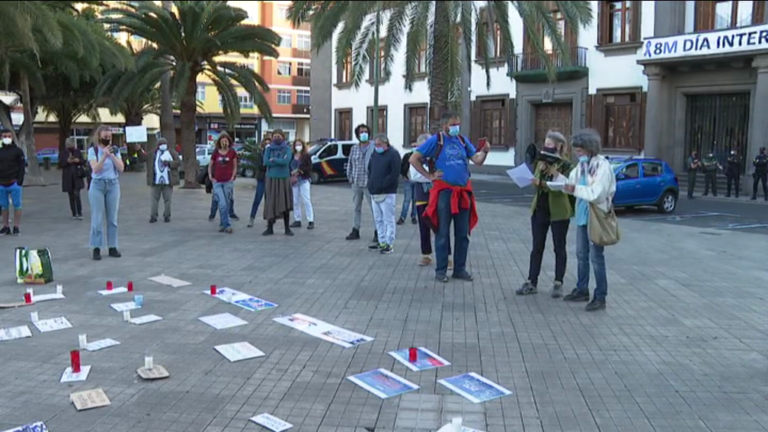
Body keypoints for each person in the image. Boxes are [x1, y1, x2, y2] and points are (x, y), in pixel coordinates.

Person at [410, 110, 490, 283]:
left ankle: (459, 269)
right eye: (453, 124)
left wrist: (485, 151)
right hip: (444, 193)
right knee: (442, 232)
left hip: (462, 192)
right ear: (444, 125)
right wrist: (429, 175)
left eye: (458, 124)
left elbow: (476, 160)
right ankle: (441, 270)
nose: (456, 127)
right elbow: (414, 158)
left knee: (463, 233)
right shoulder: (436, 140)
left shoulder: (462, 140)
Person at [562, 129, 616, 312]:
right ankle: (582, 288)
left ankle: (600, 296)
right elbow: (571, 182)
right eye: (576, 150)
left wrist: (573, 189)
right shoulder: (581, 166)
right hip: (582, 215)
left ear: (590, 148)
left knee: (596, 258)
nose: (577, 153)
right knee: (581, 255)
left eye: (580, 150)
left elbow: (597, 194)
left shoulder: (602, 166)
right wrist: (559, 182)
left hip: (596, 216)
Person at [517, 131, 573, 298]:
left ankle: (558, 282)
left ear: (559, 147)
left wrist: (551, 175)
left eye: (551, 146)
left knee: (559, 247)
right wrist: (537, 177)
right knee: (537, 247)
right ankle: (531, 281)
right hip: (540, 209)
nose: (547, 149)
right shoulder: (540, 163)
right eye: (545, 146)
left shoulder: (567, 165)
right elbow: (537, 184)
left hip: (558, 212)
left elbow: (563, 187)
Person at [410, 134, 452, 267]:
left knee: (442, 228)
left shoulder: (438, 157)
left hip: (438, 197)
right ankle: (426, 255)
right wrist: (431, 176)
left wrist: (431, 175)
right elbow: (414, 175)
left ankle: (447, 257)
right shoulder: (415, 158)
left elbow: (444, 174)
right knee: (424, 228)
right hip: (422, 198)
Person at [88, 125, 125, 260]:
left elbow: (121, 168)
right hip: (97, 185)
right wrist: (104, 156)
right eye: (105, 137)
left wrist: (113, 156)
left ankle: (112, 247)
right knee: (97, 219)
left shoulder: (115, 150)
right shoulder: (93, 150)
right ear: (99, 137)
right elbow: (95, 169)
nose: (107, 139)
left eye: (109, 137)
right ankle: (96, 247)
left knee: (112, 219)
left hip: (113, 185)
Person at [367, 134, 400, 254]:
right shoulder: (375, 154)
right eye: (375, 145)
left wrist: (384, 184)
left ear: (386, 144)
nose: (377, 147)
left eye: (379, 145)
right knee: (378, 219)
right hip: (374, 191)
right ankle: (381, 241)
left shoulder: (393, 154)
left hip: (387, 192)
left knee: (388, 219)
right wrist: (371, 183)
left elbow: (395, 173)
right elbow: (370, 169)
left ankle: (389, 243)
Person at [346, 124, 377, 245]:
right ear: (358, 135)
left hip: (369, 183)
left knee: (374, 208)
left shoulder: (374, 147)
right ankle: (355, 229)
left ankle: (377, 231)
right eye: (361, 132)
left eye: (365, 132)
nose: (363, 134)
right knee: (356, 207)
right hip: (356, 182)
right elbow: (350, 163)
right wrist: (350, 178)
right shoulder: (354, 148)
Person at [262, 129, 294, 236]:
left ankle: (287, 228)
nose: (276, 138)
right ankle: (269, 228)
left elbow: (286, 161)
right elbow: (266, 162)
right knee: (271, 203)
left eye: (278, 136)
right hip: (271, 179)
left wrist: (274, 160)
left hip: (284, 178)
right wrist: (278, 160)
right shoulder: (268, 149)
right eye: (274, 136)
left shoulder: (287, 149)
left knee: (285, 202)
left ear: (283, 137)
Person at [208, 132, 238, 233]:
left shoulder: (232, 152)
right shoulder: (216, 152)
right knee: (222, 204)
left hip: (228, 182)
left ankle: (222, 224)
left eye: (225, 141)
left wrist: (233, 176)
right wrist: (210, 176)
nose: (224, 143)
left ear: (229, 142)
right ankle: (227, 225)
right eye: (222, 141)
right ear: (219, 143)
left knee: (227, 203)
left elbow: (235, 165)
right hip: (217, 182)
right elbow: (211, 164)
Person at [146, 137, 180, 223]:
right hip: (155, 181)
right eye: (161, 144)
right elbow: (144, 157)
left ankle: (167, 216)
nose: (163, 146)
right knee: (154, 200)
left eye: (164, 144)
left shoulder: (171, 152)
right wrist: (138, 150)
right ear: (157, 145)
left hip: (168, 181)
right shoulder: (153, 153)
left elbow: (178, 162)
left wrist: (169, 163)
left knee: (168, 199)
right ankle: (153, 216)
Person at [0, 129, 25, 235]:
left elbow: (22, 166)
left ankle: (16, 226)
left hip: (14, 183)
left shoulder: (18, 151)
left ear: (12, 137)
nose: (6, 138)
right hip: (1, 184)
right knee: (4, 206)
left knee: (17, 205)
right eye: (4, 136)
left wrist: (19, 181)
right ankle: (5, 226)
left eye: (9, 136)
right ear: (1, 137)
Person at [290, 138, 315, 229]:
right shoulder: (292, 156)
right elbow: (289, 166)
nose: (298, 146)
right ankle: (297, 219)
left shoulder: (306, 156)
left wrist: (300, 170)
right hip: (294, 181)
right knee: (295, 201)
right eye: (296, 145)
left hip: (304, 179)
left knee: (306, 200)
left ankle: (310, 220)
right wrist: (291, 172)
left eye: (299, 144)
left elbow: (309, 167)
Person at [247, 138, 270, 228]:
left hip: (270, 178)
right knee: (257, 198)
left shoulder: (273, 153)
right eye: (266, 143)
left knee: (268, 200)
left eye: (269, 143)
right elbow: (260, 165)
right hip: (261, 178)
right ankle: (252, 217)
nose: (267, 145)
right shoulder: (260, 154)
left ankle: (269, 219)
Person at [61, 137, 85, 220]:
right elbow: (61, 163)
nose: (69, 146)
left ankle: (79, 212)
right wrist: (67, 161)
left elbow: (83, 161)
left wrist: (78, 160)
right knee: (71, 196)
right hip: (68, 177)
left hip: (77, 176)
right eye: (68, 144)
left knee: (77, 194)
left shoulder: (77, 151)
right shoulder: (63, 152)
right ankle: (74, 213)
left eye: (71, 144)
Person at [397, 144, 417, 225]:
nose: (415, 148)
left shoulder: (421, 156)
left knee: (415, 200)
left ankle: (413, 216)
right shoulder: (407, 156)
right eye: (413, 146)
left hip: (417, 181)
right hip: (408, 180)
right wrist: (403, 175)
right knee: (407, 200)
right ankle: (402, 217)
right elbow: (401, 166)